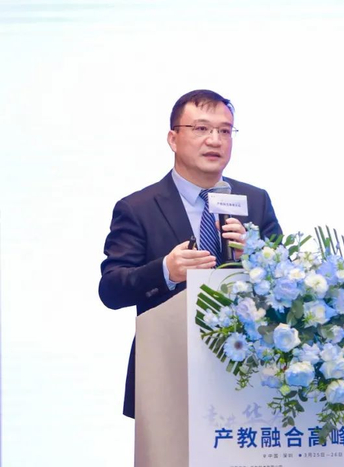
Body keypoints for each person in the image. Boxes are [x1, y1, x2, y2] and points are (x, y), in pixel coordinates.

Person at [98, 89, 282, 418]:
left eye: (225, 131)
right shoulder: (138, 208)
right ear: (173, 138)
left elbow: (289, 278)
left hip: (250, 376)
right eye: (201, 129)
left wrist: (257, 256)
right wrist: (165, 271)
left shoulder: (255, 200)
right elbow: (111, 289)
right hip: (168, 374)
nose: (215, 140)